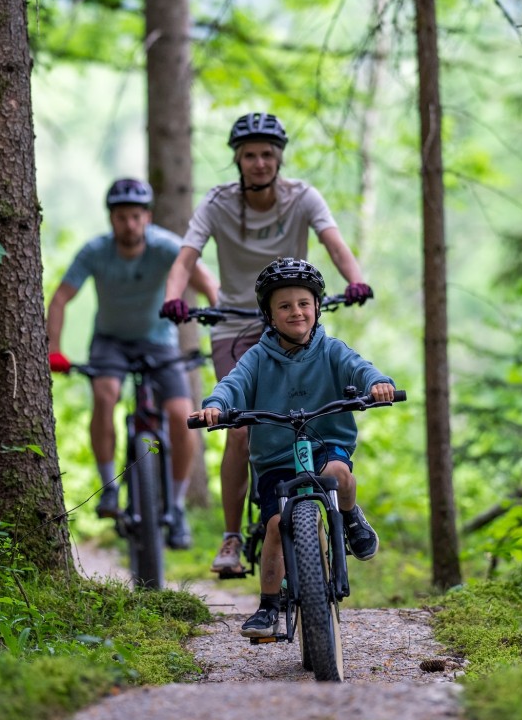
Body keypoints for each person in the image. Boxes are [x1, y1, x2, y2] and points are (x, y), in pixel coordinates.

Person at [160, 111, 374, 576]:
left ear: (279, 158)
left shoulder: (302, 198)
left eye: (267, 154)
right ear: (238, 160)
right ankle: (232, 536)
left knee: (311, 412)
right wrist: (172, 297)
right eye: (250, 155)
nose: (259, 163)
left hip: (290, 313)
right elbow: (186, 256)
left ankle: (336, 505)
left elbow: (333, 242)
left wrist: (355, 280)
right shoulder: (217, 203)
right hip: (237, 324)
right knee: (238, 427)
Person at [193, 257, 394, 637]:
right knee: (273, 525)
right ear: (269, 315)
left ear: (317, 307)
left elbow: (360, 368)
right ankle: (268, 607)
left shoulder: (331, 349)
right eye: (284, 306)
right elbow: (232, 384)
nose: (296, 312)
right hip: (275, 459)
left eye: (303, 303)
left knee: (339, 475)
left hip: (325, 443)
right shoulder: (256, 357)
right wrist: (216, 406)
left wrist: (377, 383)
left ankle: (349, 518)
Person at [47, 177, 219, 548]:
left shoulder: (166, 247)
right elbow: (60, 298)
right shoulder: (95, 251)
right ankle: (109, 489)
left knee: (181, 414)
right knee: (106, 394)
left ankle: (175, 507)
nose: (129, 224)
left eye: (136, 217)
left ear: (148, 217)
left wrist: (222, 331)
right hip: (110, 342)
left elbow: (207, 284)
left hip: (159, 342)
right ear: (112, 220)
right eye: (122, 217)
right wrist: (54, 349)